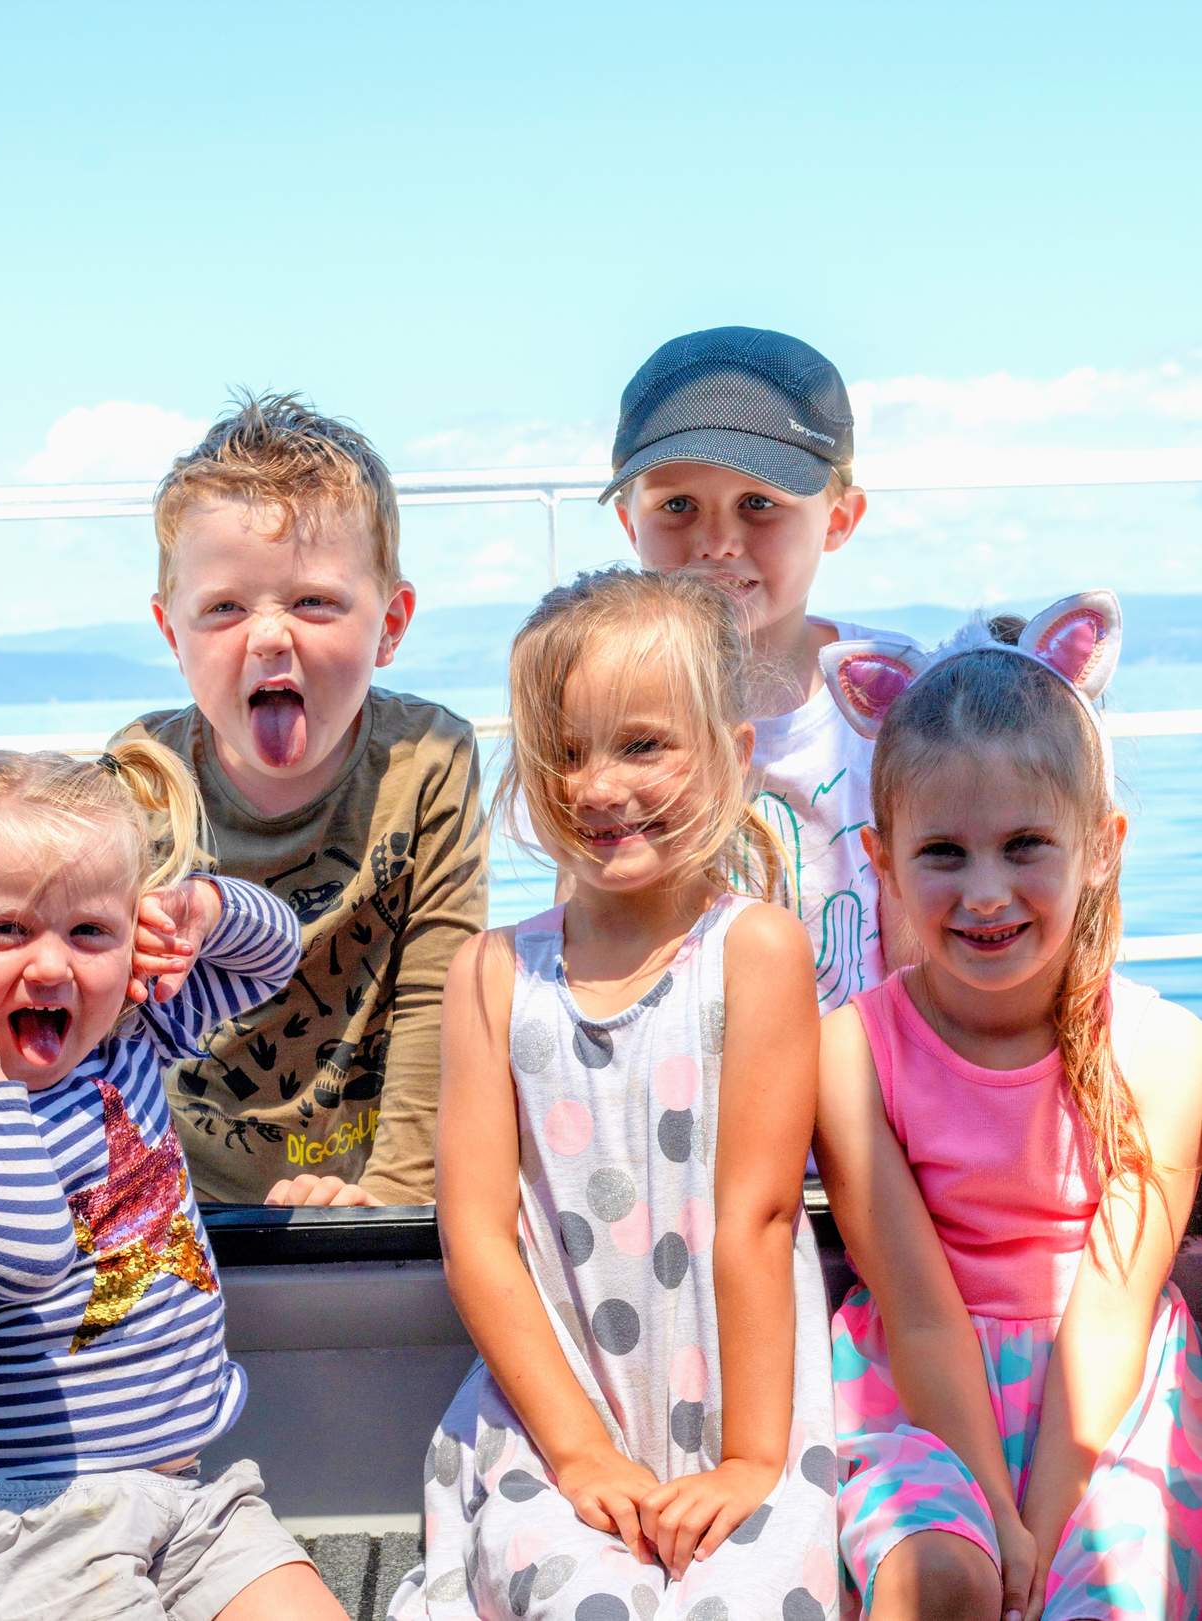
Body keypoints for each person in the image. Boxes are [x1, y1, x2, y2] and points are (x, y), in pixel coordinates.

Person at [390, 567, 839, 1620]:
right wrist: (582, 1452)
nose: (595, 786)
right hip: (551, 1416)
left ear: (730, 754)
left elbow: (756, 1217)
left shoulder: (755, 951)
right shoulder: (489, 977)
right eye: (564, 751)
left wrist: (749, 1458)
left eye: (639, 745)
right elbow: (478, 1238)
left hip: (746, 1403)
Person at [813, 592, 1202, 1620]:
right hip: (918, 1396)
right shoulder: (851, 1051)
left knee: (1106, 1597)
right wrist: (989, 1503)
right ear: (881, 859)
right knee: (937, 1578)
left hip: (1107, 1407)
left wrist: (1044, 1516)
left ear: (1101, 845)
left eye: (1024, 843)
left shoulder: (1161, 1051)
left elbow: (1111, 1310)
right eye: (943, 853)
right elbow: (918, 1305)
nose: (984, 891)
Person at [0, 736, 347, 1620]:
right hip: (19, 1527)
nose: (52, 964)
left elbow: (276, 956)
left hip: (194, 1496)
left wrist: (203, 910)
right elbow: (24, 1253)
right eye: (5, 930)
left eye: (90, 931)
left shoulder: (127, 1041)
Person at [121, 391, 487, 1208]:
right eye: (222, 608)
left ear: (390, 624)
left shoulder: (425, 761)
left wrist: (392, 1198)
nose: (269, 635)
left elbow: (441, 993)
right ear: (169, 633)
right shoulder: (140, 782)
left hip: (364, 1194)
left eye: (315, 601)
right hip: (178, 1199)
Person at [603, 325, 907, 1013]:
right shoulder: (603, 705)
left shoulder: (900, 697)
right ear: (630, 522)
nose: (716, 542)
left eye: (759, 503)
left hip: (863, 1078)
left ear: (838, 520)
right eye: (676, 505)